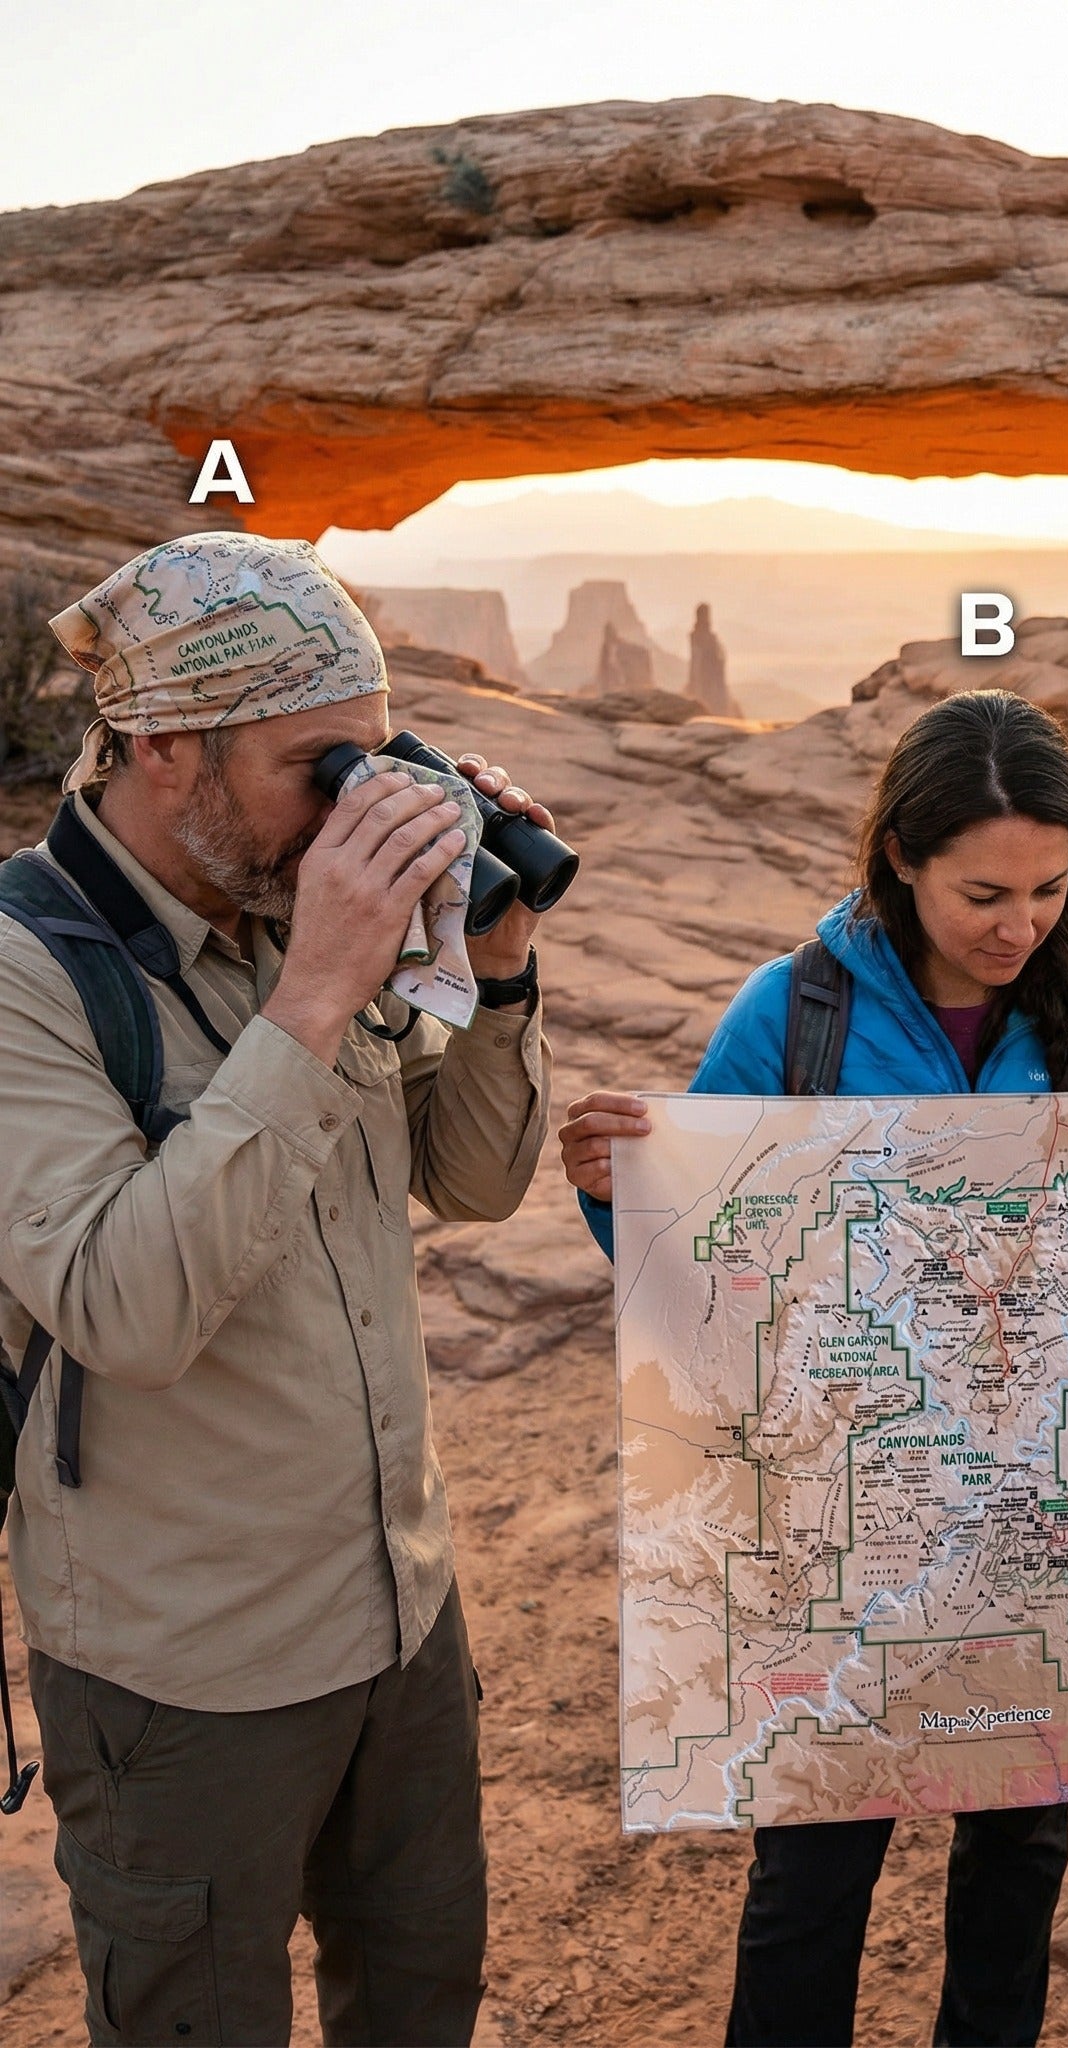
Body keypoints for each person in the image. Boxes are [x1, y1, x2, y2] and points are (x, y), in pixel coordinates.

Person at [559, 687, 1068, 2048]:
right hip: (851, 1506)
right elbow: (699, 1254)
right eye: (982, 895)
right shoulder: (794, 1014)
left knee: (1020, 1843)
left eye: (1050, 893)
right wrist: (617, 1187)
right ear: (899, 856)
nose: (1020, 930)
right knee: (817, 1854)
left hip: (1045, 1507)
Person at [0, 534, 556, 2046]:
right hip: (189, 1666)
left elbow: (476, 1180)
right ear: (170, 747)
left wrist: (494, 973)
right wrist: (313, 995)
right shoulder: (25, 976)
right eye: (323, 767)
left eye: (375, 762)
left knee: (421, 1992)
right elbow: (124, 1310)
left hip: (397, 1610)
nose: (357, 808)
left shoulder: (297, 909)